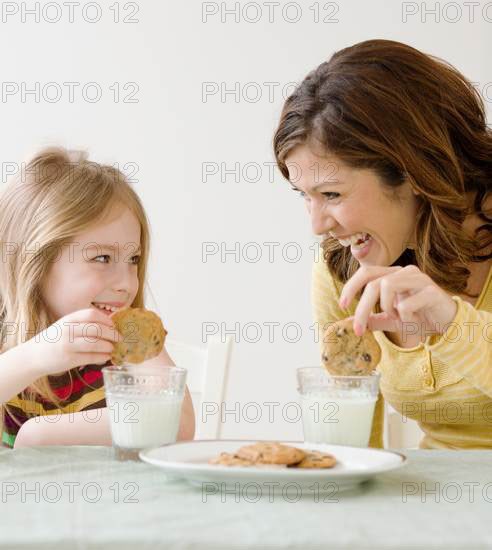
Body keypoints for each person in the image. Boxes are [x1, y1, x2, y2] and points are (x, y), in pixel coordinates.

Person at [273, 39, 492, 449]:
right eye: (305, 195)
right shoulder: (344, 272)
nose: (318, 225)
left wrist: (450, 321)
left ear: (413, 172)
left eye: (332, 194)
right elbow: (357, 449)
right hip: (438, 503)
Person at [0, 147, 195, 448]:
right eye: (103, 258)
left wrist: (40, 435)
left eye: (133, 260)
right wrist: (35, 357)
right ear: (36, 263)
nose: (127, 283)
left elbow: (177, 423)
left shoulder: (126, 336)